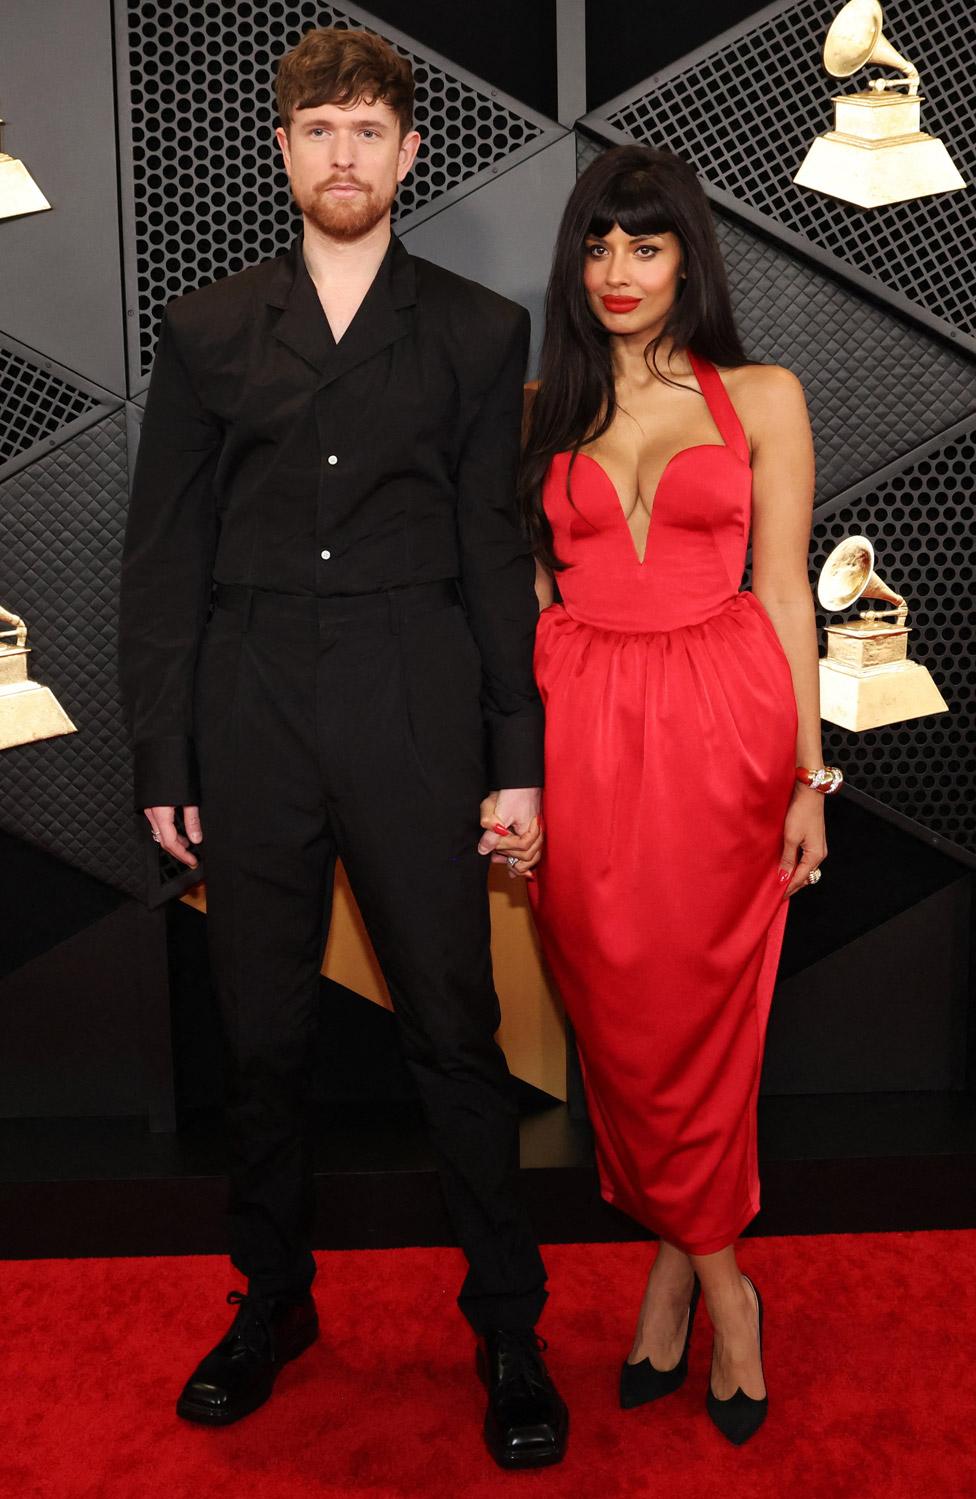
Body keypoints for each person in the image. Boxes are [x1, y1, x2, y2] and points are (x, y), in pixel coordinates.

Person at [118, 26, 566, 1469]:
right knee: (263, 1037)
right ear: (284, 150)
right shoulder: (203, 330)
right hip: (248, 707)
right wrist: (164, 757)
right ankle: (273, 1306)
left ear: (412, 152)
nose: (345, 154)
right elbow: (162, 559)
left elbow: (497, 558)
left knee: (452, 1026)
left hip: (417, 699)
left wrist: (517, 753)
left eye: (370, 129)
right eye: (318, 129)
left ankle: (508, 1325)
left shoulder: (482, 331)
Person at [515, 144, 835, 1446]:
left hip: (724, 743)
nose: (617, 272)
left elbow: (783, 591)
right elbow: (528, 600)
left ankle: (703, 1294)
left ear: (687, 256)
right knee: (627, 1036)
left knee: (707, 1024)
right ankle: (710, 1275)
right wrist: (520, 764)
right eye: (597, 247)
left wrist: (809, 775)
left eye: (643, 246)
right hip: (585, 750)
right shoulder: (541, 407)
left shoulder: (762, 394)